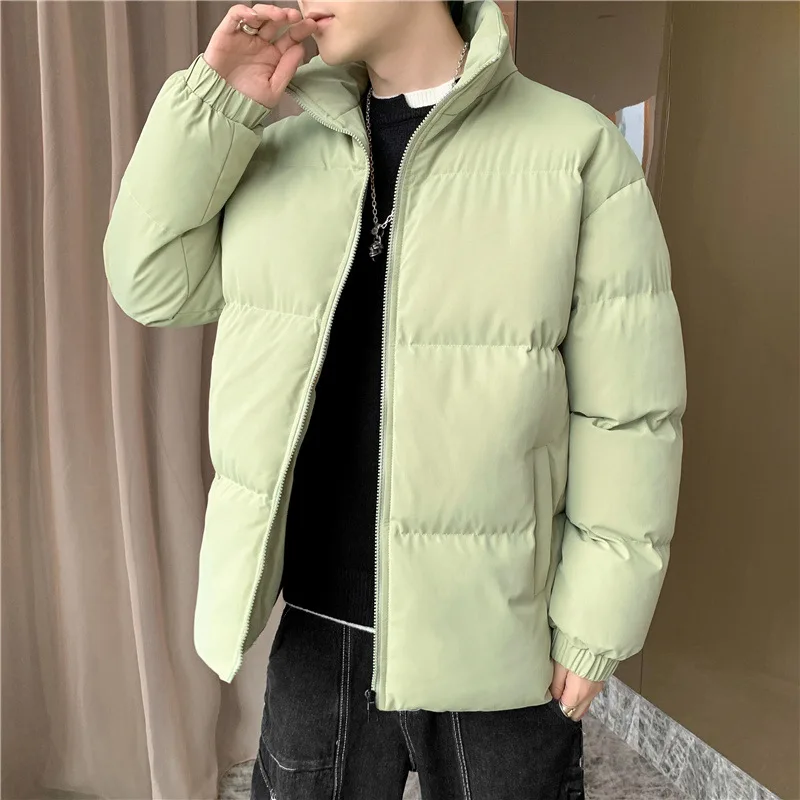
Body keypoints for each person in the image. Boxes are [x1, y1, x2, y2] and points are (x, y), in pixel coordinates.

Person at [103, 1, 687, 797]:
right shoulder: (282, 151)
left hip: (498, 639)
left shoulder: (573, 151)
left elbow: (630, 416)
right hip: (319, 629)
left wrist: (595, 623)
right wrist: (217, 103)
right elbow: (150, 282)